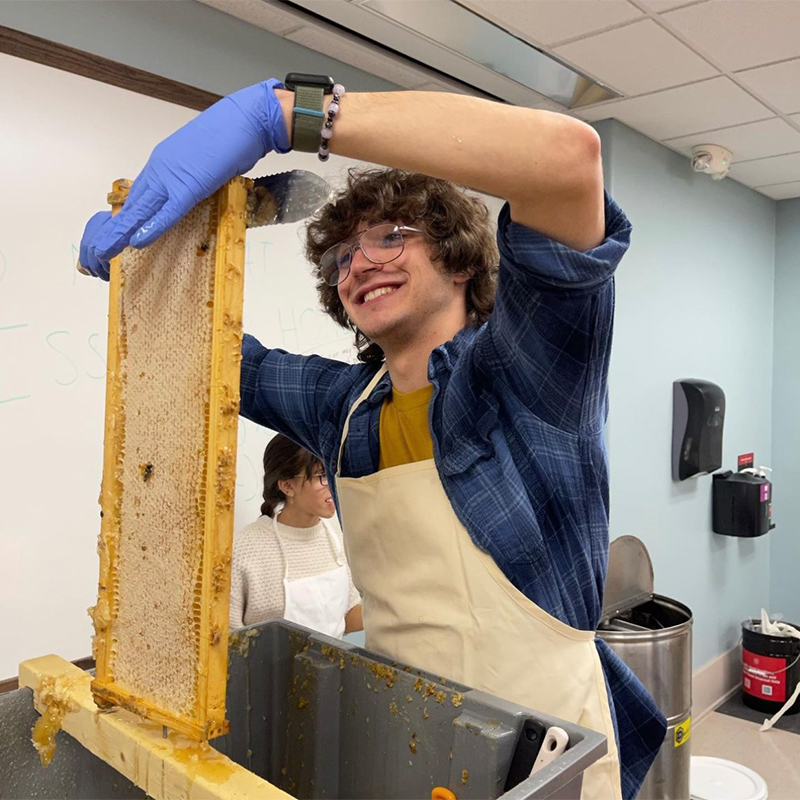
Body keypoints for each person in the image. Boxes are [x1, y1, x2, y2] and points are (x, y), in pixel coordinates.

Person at [78, 76, 666, 799]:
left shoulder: (530, 375)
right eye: (342, 258)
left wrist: (289, 116)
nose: (360, 264)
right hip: (407, 743)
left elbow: (568, 159)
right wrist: (145, 267)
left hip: (547, 760)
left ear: (455, 258)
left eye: (391, 237)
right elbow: (219, 353)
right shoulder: (344, 407)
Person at [229, 434, 362, 638]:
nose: (333, 486)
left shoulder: (335, 535)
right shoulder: (245, 549)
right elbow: (227, 639)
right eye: (321, 476)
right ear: (287, 486)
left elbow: (343, 619)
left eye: (333, 473)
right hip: (265, 670)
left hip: (328, 668)